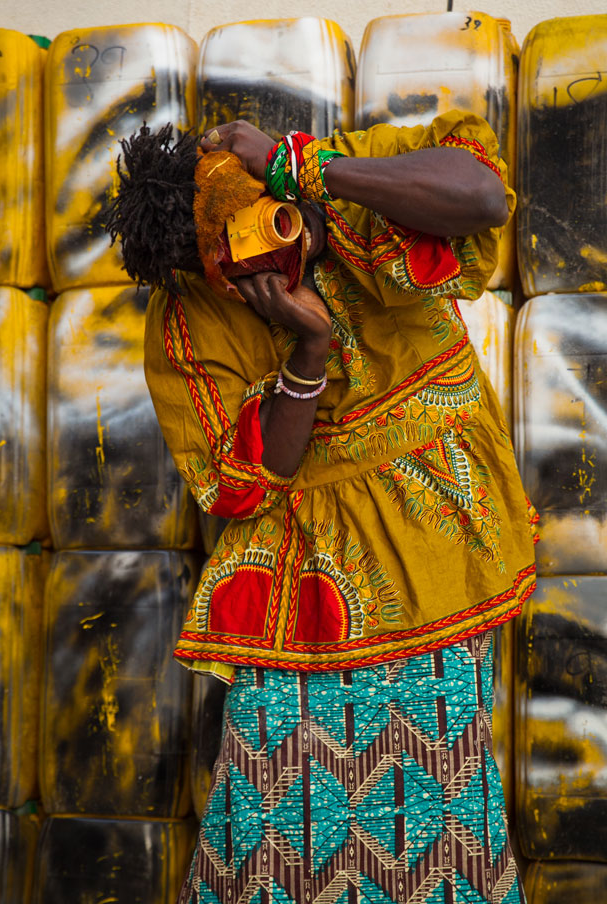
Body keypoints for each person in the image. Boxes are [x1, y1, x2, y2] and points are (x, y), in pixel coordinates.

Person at [106, 111, 538, 904]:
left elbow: (481, 199)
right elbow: (243, 482)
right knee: (273, 824)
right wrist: (309, 348)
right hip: (304, 596)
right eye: (237, 257)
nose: (272, 251)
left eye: (275, 224)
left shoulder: (351, 174)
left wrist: (300, 168)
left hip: (435, 562)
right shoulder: (191, 312)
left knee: (440, 820)